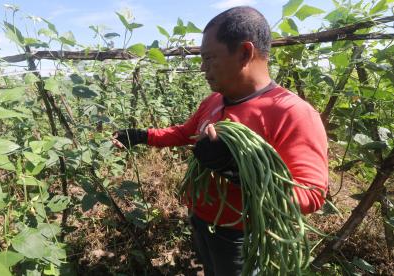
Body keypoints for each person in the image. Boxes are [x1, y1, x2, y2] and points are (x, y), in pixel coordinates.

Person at [112, 6, 328, 276]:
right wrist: (141, 136)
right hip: (201, 221)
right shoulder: (214, 100)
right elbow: (184, 133)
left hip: (241, 235)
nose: (202, 68)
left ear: (245, 53)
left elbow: (312, 194)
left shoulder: (292, 113)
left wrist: (237, 171)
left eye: (209, 58)